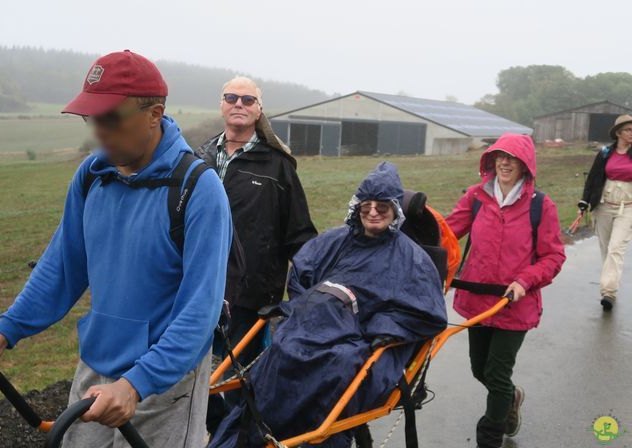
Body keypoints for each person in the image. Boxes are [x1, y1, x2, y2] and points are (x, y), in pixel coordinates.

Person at [0, 50, 232, 447]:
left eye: (110, 118)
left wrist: (137, 383)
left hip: (164, 382)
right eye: (92, 118)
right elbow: (62, 268)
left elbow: (199, 310)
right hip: (95, 368)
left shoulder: (197, 189)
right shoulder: (92, 175)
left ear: (154, 114)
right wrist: (5, 330)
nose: (99, 131)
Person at [209, 162, 448, 448]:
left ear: (395, 210)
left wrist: (378, 327)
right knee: (282, 354)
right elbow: (300, 275)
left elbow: (428, 314)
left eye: (382, 206)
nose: (373, 211)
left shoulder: (412, 259)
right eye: (366, 205)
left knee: (335, 366)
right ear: (357, 207)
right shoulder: (334, 241)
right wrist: (305, 310)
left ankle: (310, 438)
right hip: (311, 327)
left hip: (359, 340)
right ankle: (257, 432)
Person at [195, 77, 317, 428]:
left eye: (248, 100)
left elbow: (300, 232)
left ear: (259, 110)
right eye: (231, 97)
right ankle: (214, 429)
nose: (239, 104)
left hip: (249, 294)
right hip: (197, 287)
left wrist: (316, 285)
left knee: (237, 378)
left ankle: (236, 435)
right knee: (193, 374)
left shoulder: (278, 165)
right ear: (221, 104)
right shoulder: (199, 157)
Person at [446, 134, 565, 448]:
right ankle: (511, 397)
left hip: (514, 305)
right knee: (479, 368)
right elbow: (446, 234)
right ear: (490, 161)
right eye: (499, 156)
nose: (505, 162)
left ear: (525, 164)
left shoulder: (541, 205)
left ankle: (490, 434)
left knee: (497, 374)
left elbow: (553, 256)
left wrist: (524, 281)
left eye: (512, 157)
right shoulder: (476, 197)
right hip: (477, 301)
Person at [579, 114, 632, 310]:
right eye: (629, 130)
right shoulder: (605, 153)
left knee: (616, 248)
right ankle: (610, 285)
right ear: (618, 133)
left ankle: (608, 292)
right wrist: (584, 201)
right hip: (603, 206)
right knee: (606, 249)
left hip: (627, 208)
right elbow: (593, 178)